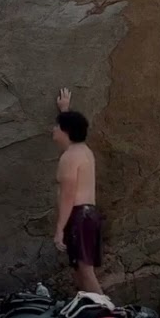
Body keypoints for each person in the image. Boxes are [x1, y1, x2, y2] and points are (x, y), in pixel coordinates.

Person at [52, 88, 104, 294]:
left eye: (57, 126)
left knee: (85, 269)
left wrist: (59, 228)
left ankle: (107, 311)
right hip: (89, 214)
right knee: (78, 269)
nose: (53, 129)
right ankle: (94, 308)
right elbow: (74, 127)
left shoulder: (70, 157)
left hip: (79, 215)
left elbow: (67, 194)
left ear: (65, 131)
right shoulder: (84, 151)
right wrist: (65, 109)